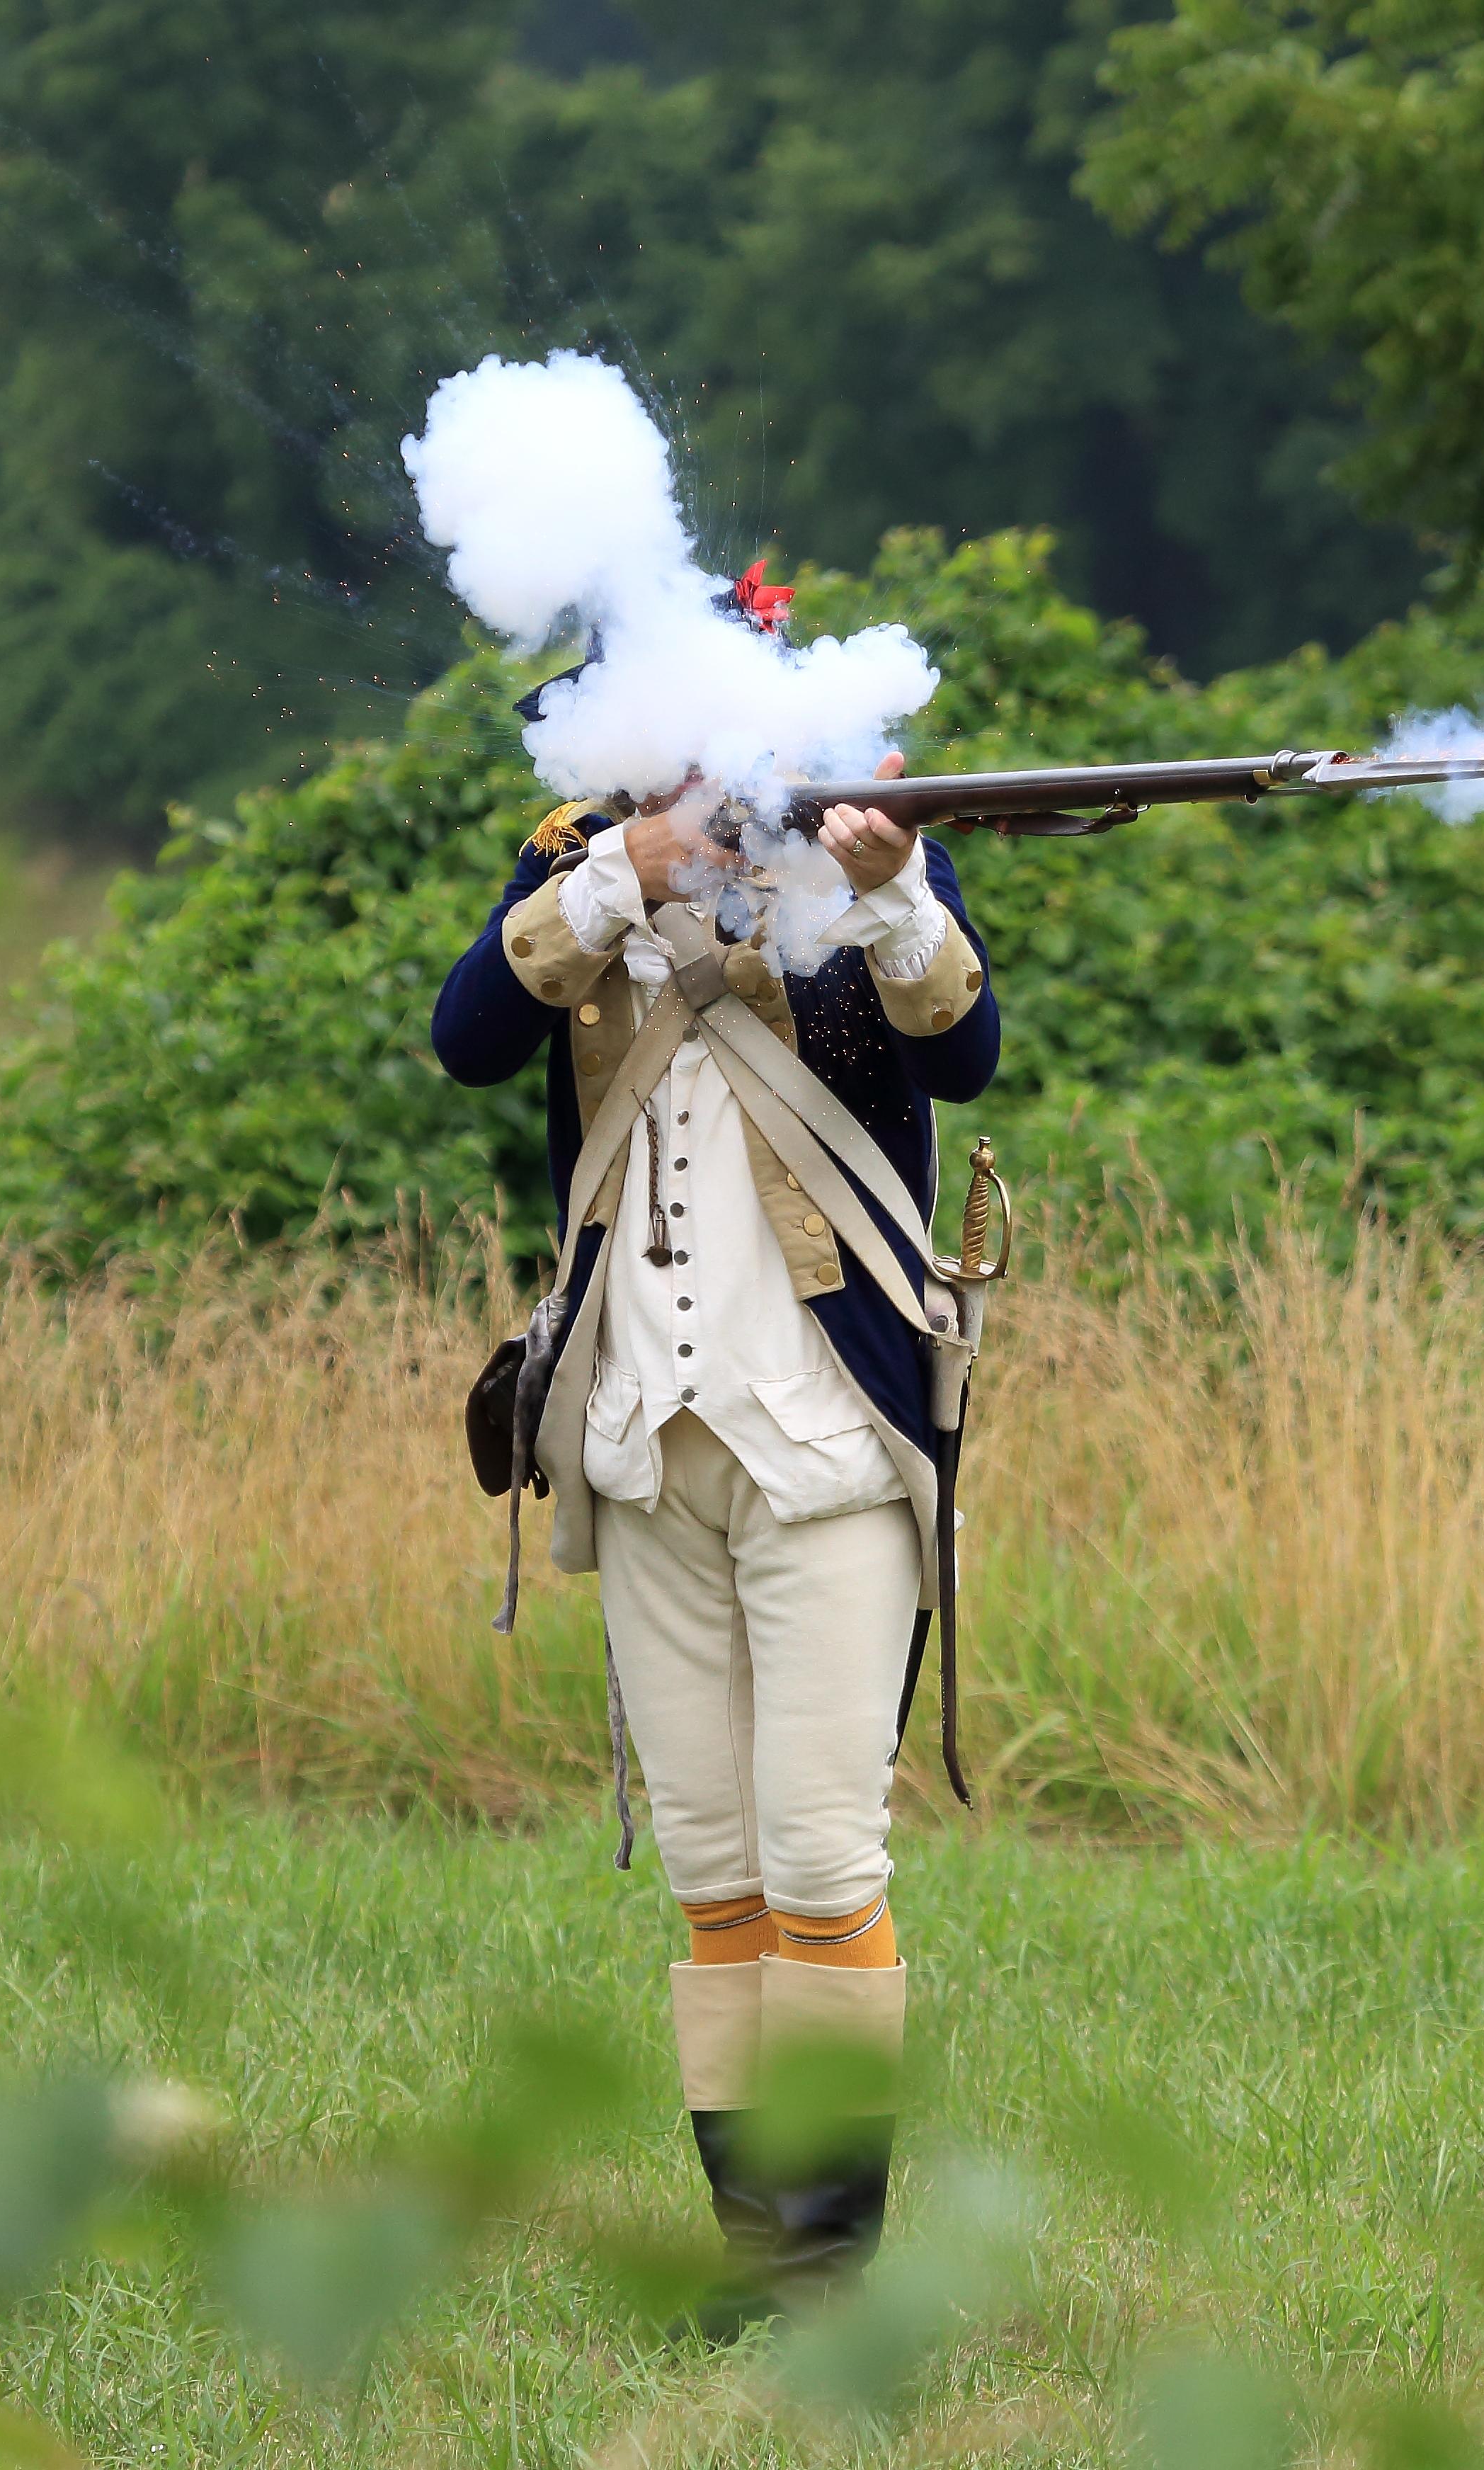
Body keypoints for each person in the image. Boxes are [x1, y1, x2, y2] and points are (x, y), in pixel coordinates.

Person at [429, 582, 999, 2323]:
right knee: (714, 1869)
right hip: (633, 1435)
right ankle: (763, 2258)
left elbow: (963, 1048)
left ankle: (834, 2272)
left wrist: (891, 891)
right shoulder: (579, 858)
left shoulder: (867, 833)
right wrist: (633, 874)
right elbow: (469, 1037)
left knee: (824, 1864)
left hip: (828, 1428)